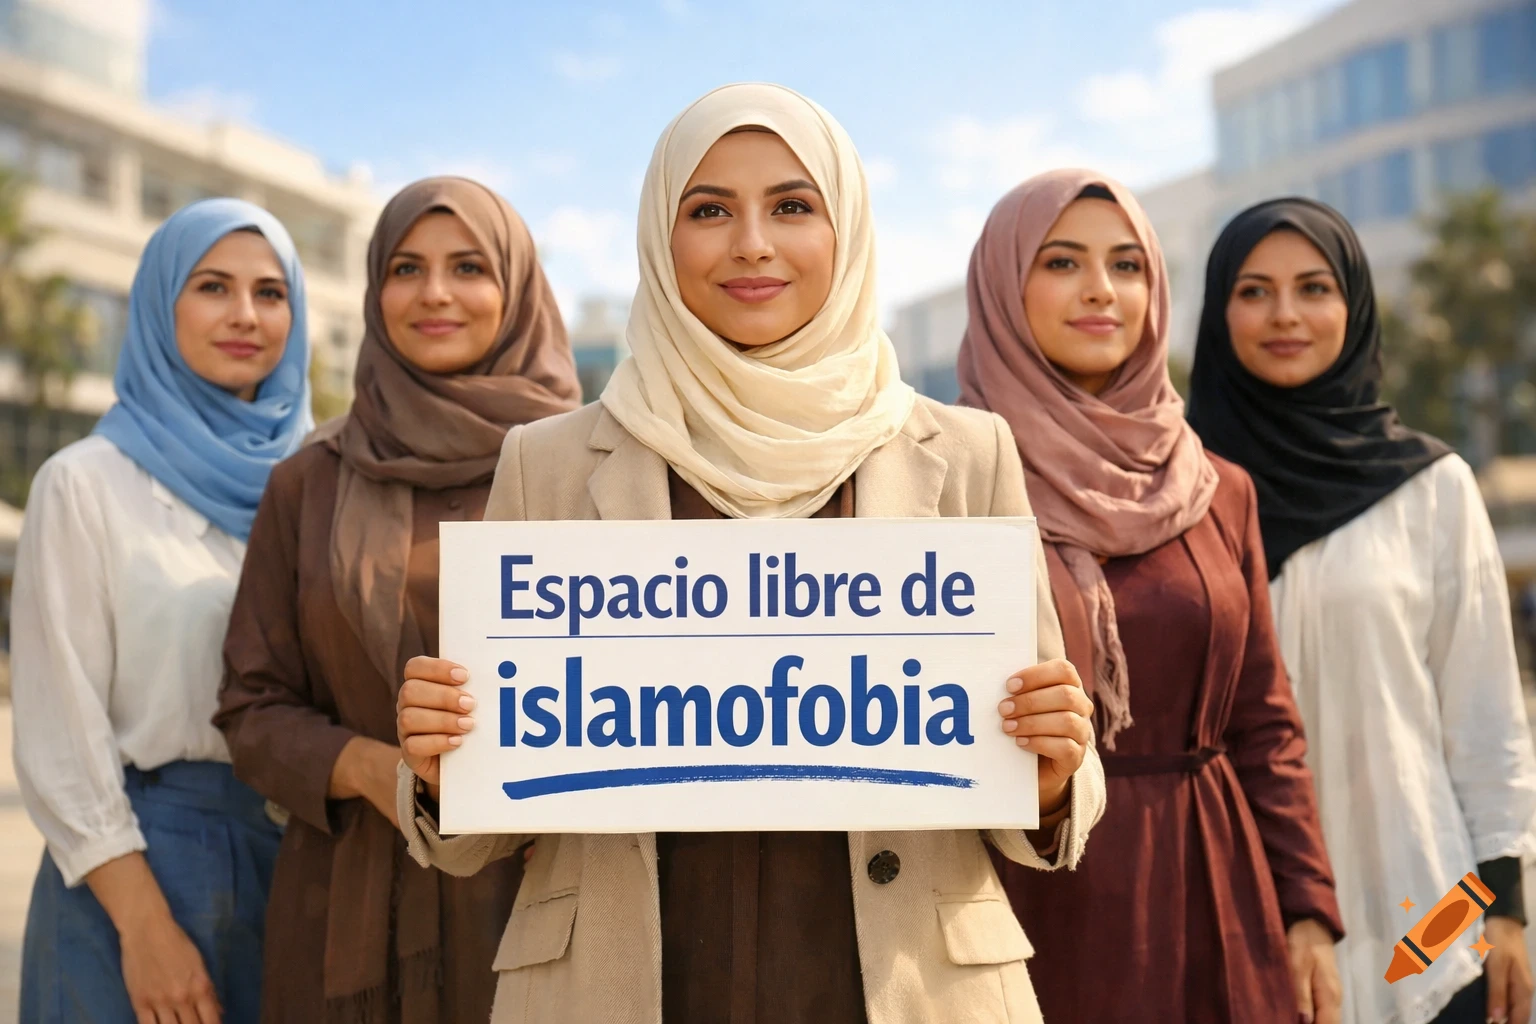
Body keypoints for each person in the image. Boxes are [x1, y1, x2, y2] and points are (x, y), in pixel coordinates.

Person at [392, 83, 1106, 1024]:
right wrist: (444, 769)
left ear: (845, 229)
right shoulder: (547, 463)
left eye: (793, 206)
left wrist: (1053, 777)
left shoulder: (967, 455)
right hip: (627, 988)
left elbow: (1038, 786)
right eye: (710, 210)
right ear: (659, 233)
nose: (753, 244)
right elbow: (481, 827)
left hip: (901, 992)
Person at [958, 170, 1345, 1024]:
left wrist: (1308, 907)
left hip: (1213, 884)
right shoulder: (944, 483)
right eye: (1062, 263)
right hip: (1027, 893)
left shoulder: (1217, 489)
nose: (1102, 289)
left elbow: (1265, 722)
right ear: (1000, 285)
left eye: (1127, 265)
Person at [215, 178, 581, 1023]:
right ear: (378, 290)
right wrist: (387, 775)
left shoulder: (590, 472)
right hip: (350, 911)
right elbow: (250, 706)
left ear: (518, 289)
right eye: (407, 268)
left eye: (469, 267)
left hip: (541, 903)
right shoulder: (309, 481)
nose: (436, 293)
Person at [1188, 196, 1536, 1024]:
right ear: (1218, 310)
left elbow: (1484, 715)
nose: (1285, 315)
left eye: (1314, 288)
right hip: (1243, 928)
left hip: (1432, 917)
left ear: (1353, 303)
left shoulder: (1430, 488)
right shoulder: (1177, 495)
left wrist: (1509, 909)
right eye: (1253, 291)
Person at [13, 198, 312, 1024]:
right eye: (212, 286)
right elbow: (58, 732)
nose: (245, 315)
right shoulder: (86, 484)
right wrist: (145, 928)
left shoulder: (320, 485)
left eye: (271, 291)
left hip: (293, 867)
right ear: (160, 303)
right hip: (134, 873)